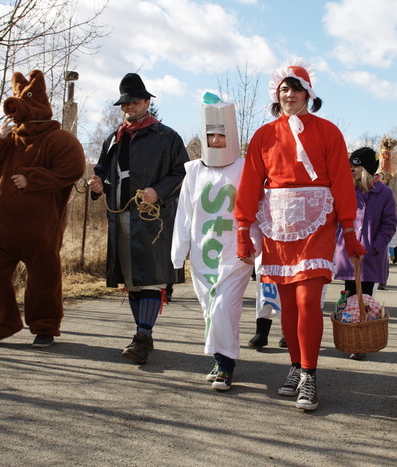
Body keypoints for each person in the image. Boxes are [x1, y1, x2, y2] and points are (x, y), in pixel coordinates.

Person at [234, 59, 365, 411]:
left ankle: (309, 374)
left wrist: (349, 229)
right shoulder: (263, 135)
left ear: (308, 93)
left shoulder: (328, 131)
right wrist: (243, 230)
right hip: (277, 226)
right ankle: (295, 366)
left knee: (308, 300)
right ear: (276, 95)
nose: (289, 94)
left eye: (295, 88)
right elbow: (250, 184)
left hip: (317, 225)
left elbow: (342, 182)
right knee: (288, 305)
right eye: (283, 89)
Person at [0, 70, 86, 348]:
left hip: (39, 230)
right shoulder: (6, 137)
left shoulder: (58, 138)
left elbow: (73, 169)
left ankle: (44, 327)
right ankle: (1, 324)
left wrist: (32, 179)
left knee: (44, 278)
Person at [89, 72, 189, 364]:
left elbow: (183, 172)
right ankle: (144, 331)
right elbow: (102, 171)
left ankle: (142, 338)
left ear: (146, 102)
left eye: (134, 102)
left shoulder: (167, 137)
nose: (128, 107)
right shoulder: (112, 139)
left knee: (151, 279)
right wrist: (98, 185)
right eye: (125, 103)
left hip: (155, 220)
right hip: (120, 217)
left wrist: (159, 192)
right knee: (132, 280)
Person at [171, 95, 254, 391]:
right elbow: (185, 212)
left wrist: (257, 248)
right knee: (210, 310)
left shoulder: (245, 167)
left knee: (223, 307)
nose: (216, 140)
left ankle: (226, 366)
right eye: (211, 135)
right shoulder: (194, 170)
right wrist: (178, 252)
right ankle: (220, 359)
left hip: (235, 253)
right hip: (203, 252)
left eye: (221, 135)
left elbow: (256, 209)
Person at [333, 147, 397, 359]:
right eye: (351, 165)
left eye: (357, 165)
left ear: (368, 168)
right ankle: (350, 337)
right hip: (347, 254)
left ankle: (361, 342)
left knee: (366, 298)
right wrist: (339, 243)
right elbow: (337, 220)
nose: (352, 169)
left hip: (370, 256)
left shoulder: (384, 193)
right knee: (349, 295)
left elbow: (389, 225)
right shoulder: (346, 189)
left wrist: (372, 248)